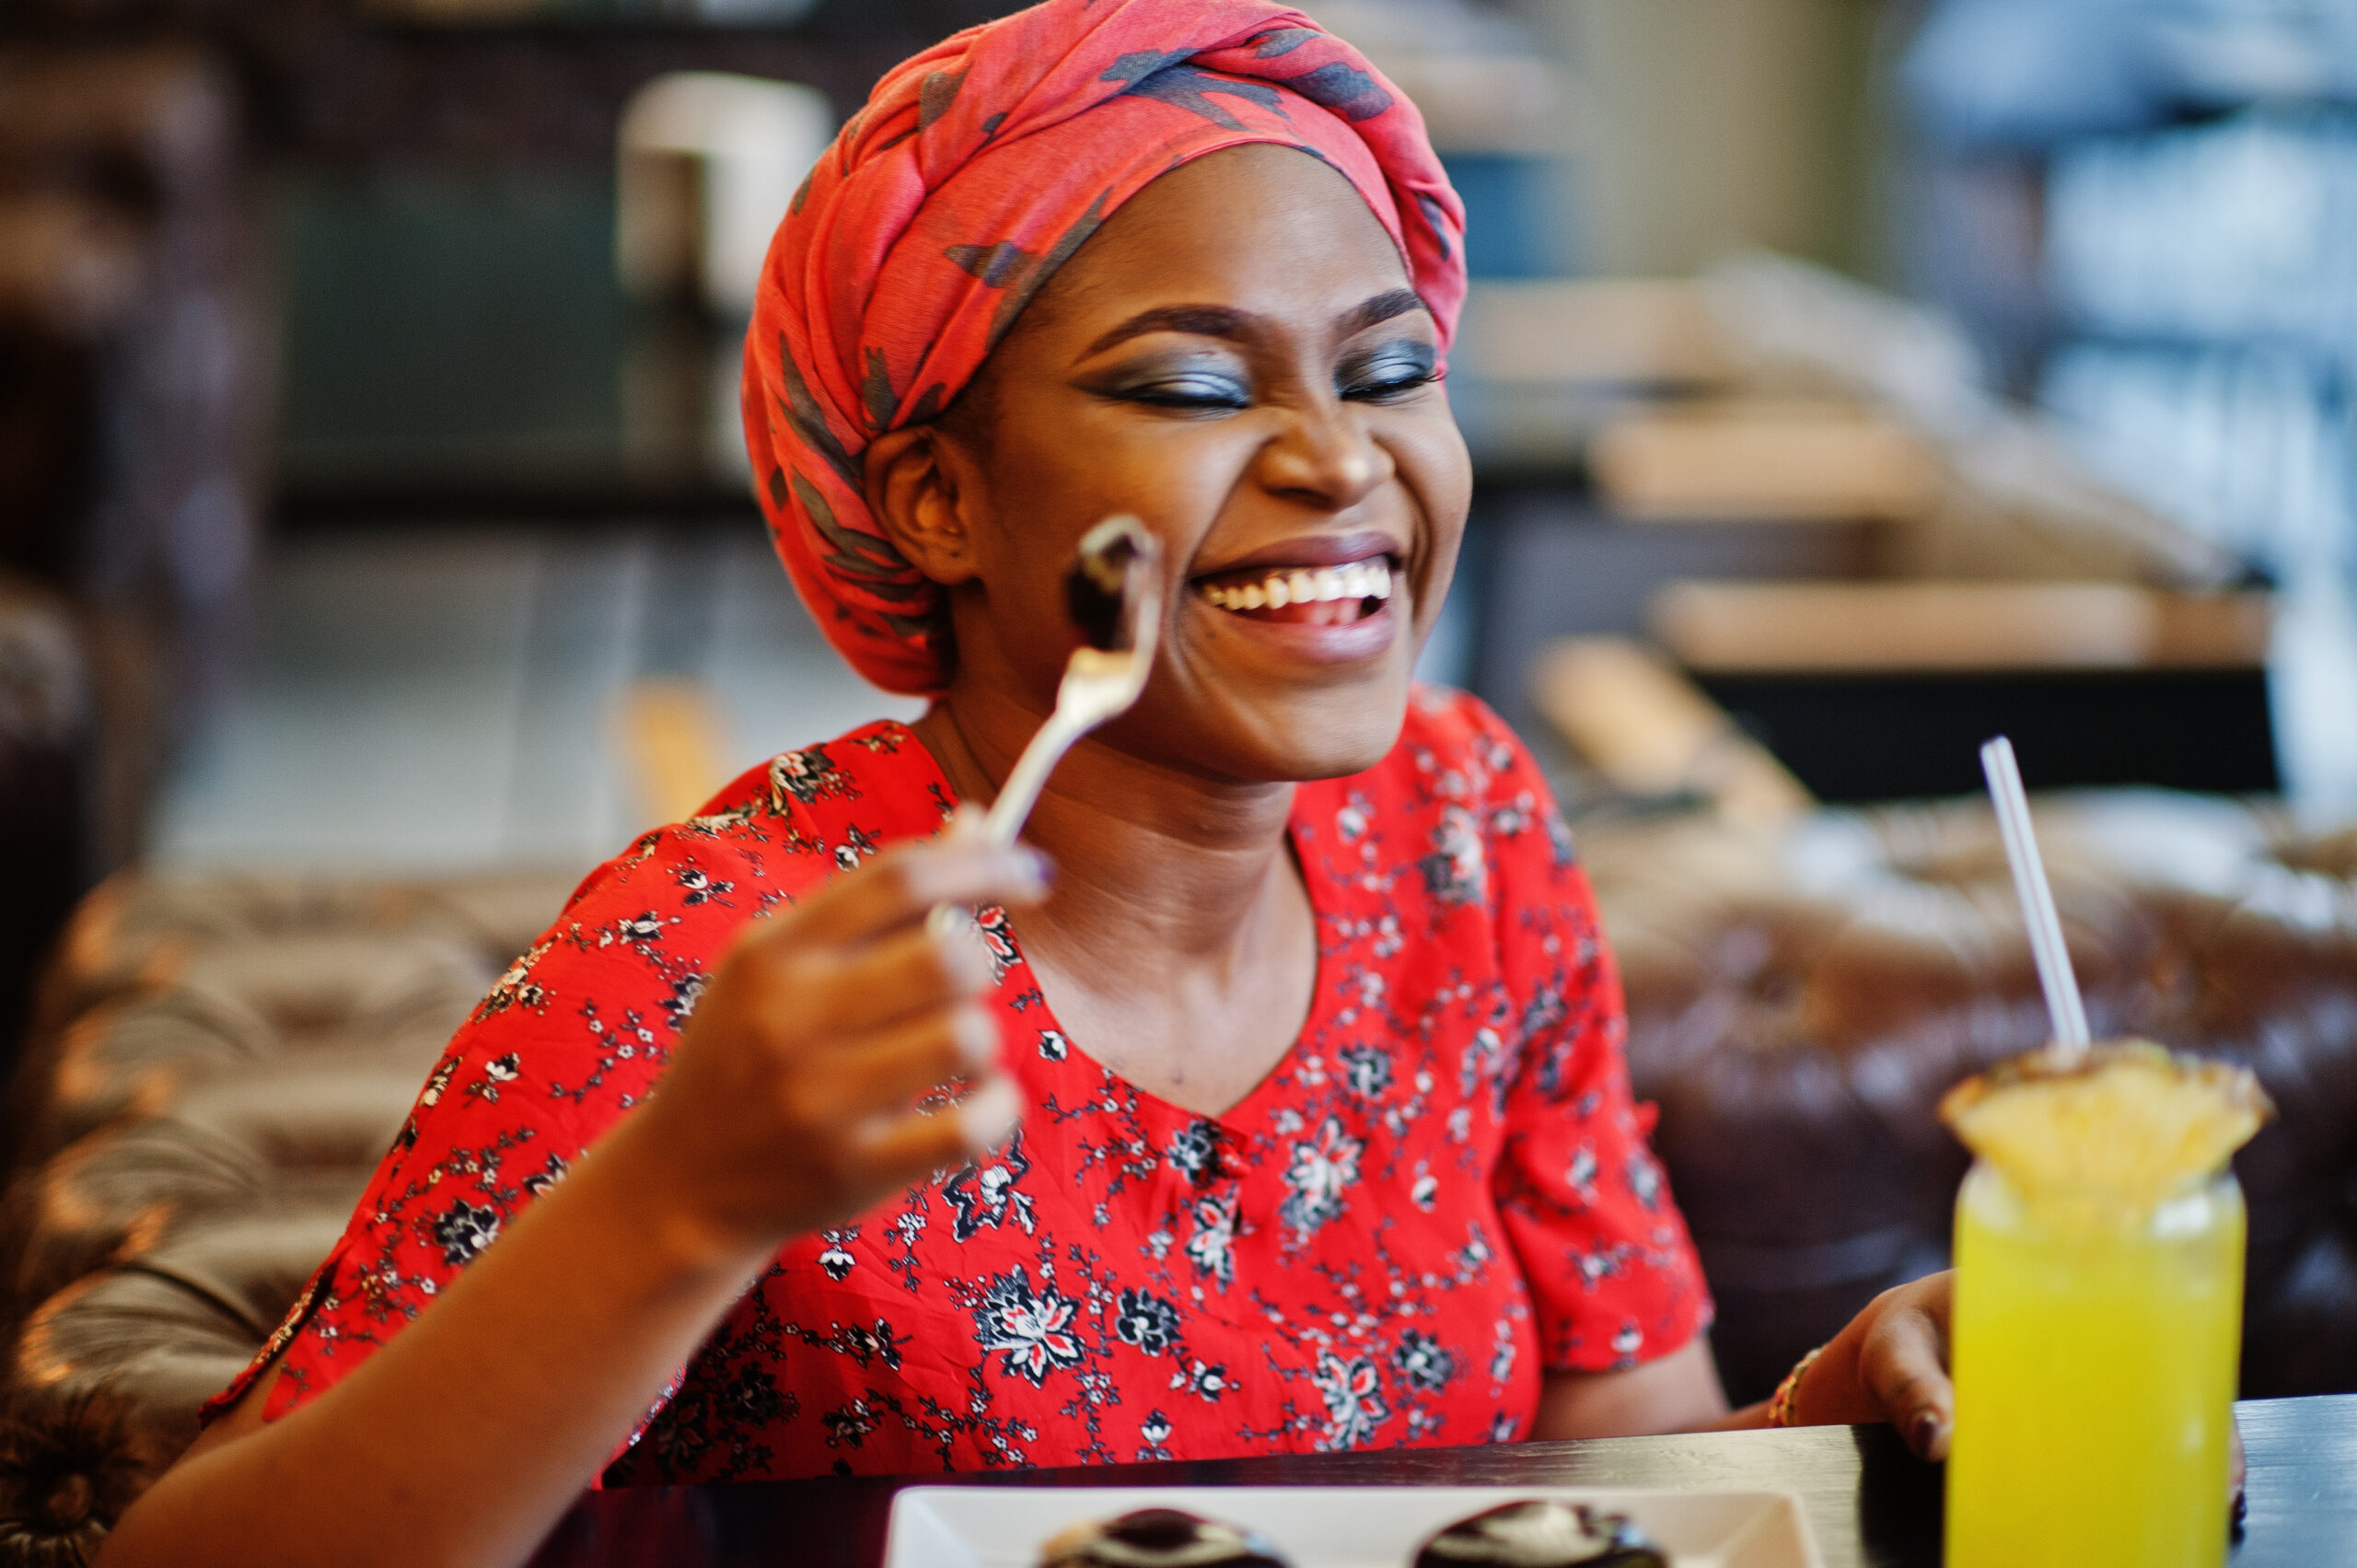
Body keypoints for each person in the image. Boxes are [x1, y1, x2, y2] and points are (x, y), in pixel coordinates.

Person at [98, 4, 1953, 1564]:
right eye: (1194, 389)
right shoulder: (712, 971)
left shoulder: (1460, 834)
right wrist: (679, 1202)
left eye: (1388, 369)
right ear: (939, 502)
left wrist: (1825, 1424)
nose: (1339, 460)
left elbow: (1622, 1470)